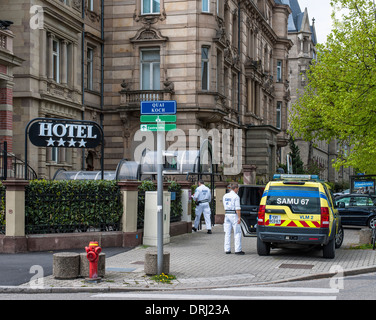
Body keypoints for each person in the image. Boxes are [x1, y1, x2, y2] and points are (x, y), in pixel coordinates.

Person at [222, 183, 244, 255]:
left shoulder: (225, 196)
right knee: (237, 232)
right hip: (233, 214)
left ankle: (227, 249)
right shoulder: (236, 196)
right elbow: (237, 208)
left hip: (227, 214)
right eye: (237, 188)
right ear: (236, 188)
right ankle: (238, 250)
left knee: (227, 232)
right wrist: (239, 217)